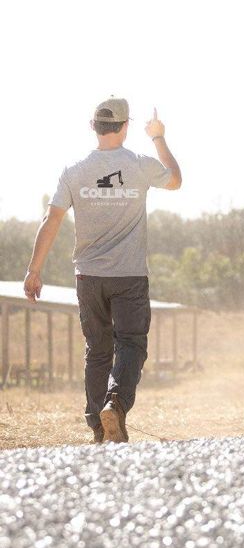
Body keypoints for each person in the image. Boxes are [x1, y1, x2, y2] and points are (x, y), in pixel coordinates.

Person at [23, 98, 182, 444]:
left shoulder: (73, 171)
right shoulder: (139, 164)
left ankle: (99, 427)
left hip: (88, 277)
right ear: (125, 127)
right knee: (131, 344)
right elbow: (175, 180)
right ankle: (116, 405)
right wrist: (158, 137)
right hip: (129, 277)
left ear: (92, 126)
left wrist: (34, 270)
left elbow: (52, 219)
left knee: (97, 350)